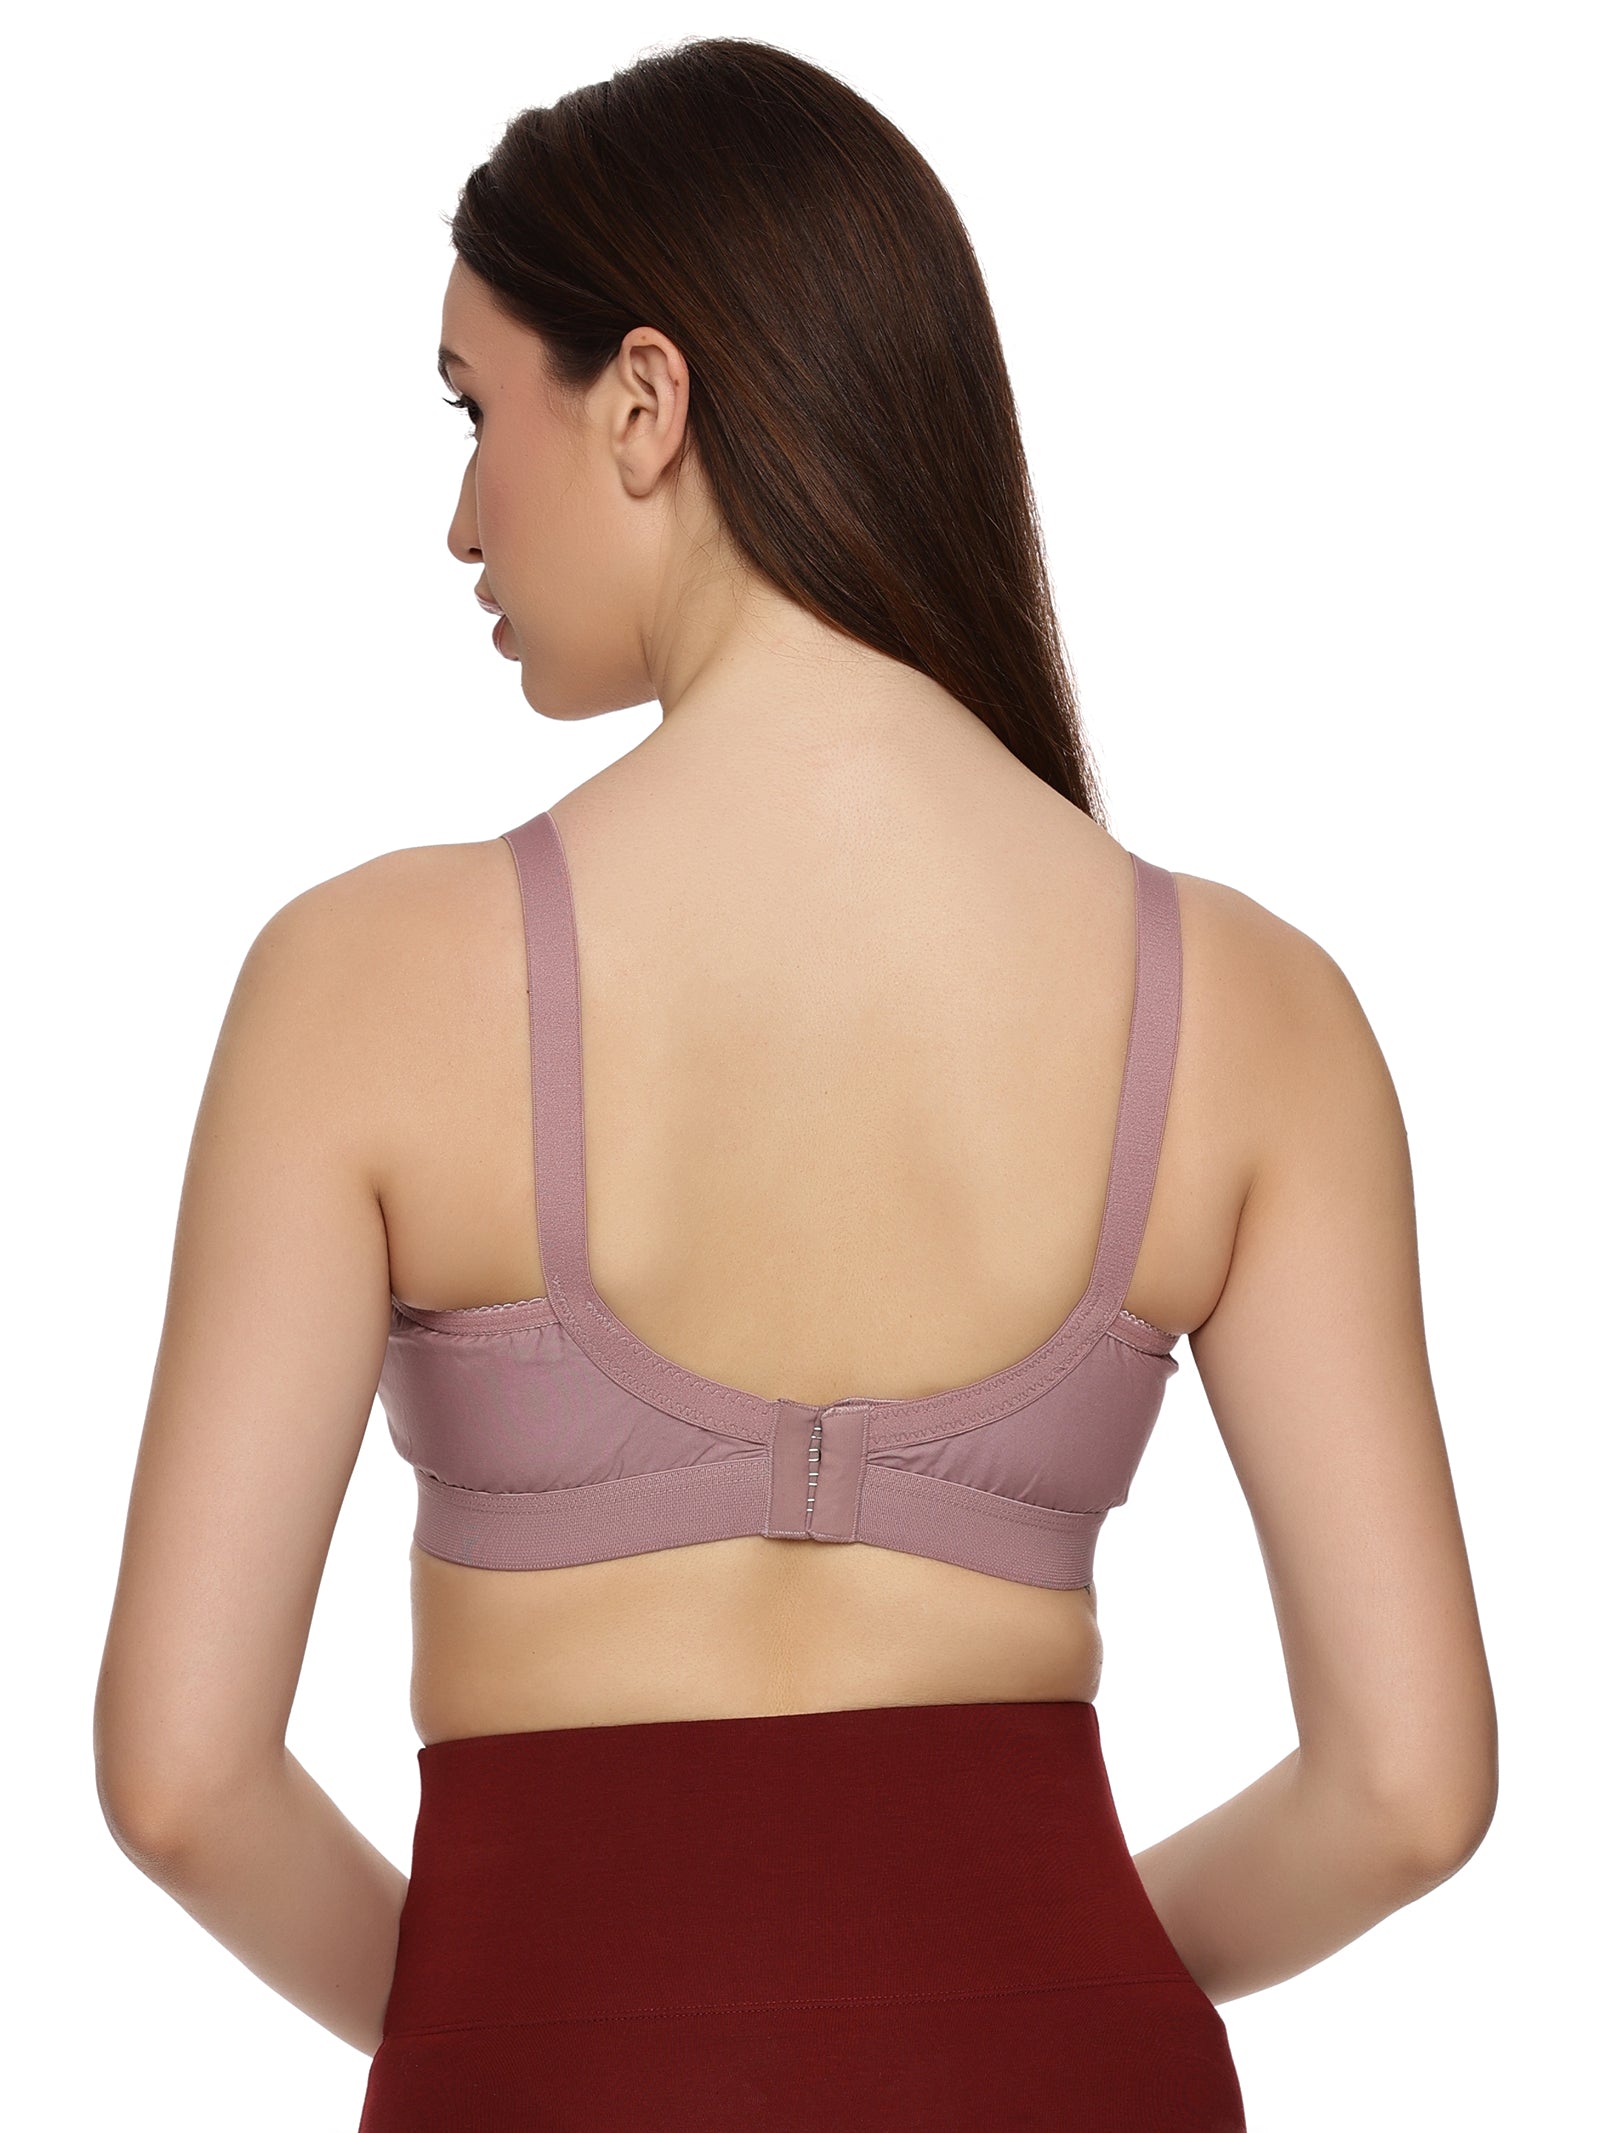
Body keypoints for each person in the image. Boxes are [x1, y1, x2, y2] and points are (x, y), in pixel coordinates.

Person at [92, 34, 1497, 2131]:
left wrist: (523, 2011)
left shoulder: (360, 981)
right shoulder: (1254, 1004)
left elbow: (182, 1776)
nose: (460, 514)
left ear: (643, 401)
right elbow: (1407, 1785)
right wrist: (1039, 1980)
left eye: (476, 410)